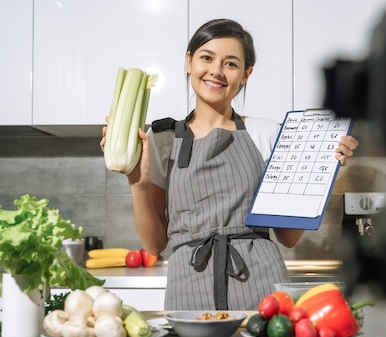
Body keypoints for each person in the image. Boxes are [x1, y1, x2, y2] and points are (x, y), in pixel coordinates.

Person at [101, 18, 359, 311]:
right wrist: (137, 179)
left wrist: (320, 170)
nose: (216, 71)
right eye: (206, 58)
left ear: (246, 74)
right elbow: (155, 245)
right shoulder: (162, 138)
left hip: (261, 286)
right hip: (189, 287)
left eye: (231, 64)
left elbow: (287, 237)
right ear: (189, 61)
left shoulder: (267, 133)